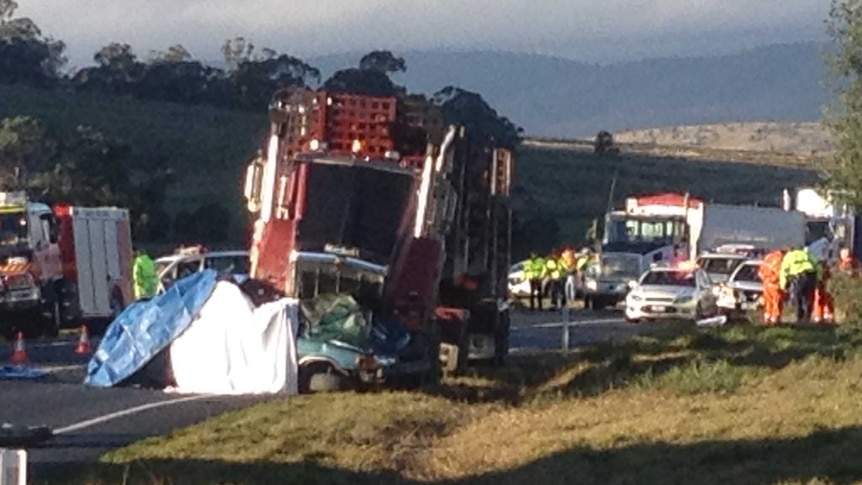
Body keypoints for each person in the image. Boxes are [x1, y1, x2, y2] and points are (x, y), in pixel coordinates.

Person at [780, 247, 820, 324]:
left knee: (797, 297)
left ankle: (799, 317)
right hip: (810, 276)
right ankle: (807, 316)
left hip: (798, 278)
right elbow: (817, 265)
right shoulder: (806, 254)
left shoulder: (789, 256)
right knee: (807, 297)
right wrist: (818, 278)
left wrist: (783, 285)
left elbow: (784, 271)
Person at [758, 247, 786, 325]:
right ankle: (775, 320)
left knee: (768, 302)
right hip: (775, 285)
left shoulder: (768, 256)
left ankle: (767, 317)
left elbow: (760, 271)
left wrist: (766, 280)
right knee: (776, 303)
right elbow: (779, 273)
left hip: (766, 284)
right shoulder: (780, 259)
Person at [812, 256, 835, 325]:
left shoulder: (818, 266)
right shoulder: (823, 267)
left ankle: (823, 316)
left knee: (822, 300)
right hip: (821, 285)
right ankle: (822, 316)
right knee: (821, 300)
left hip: (822, 285)